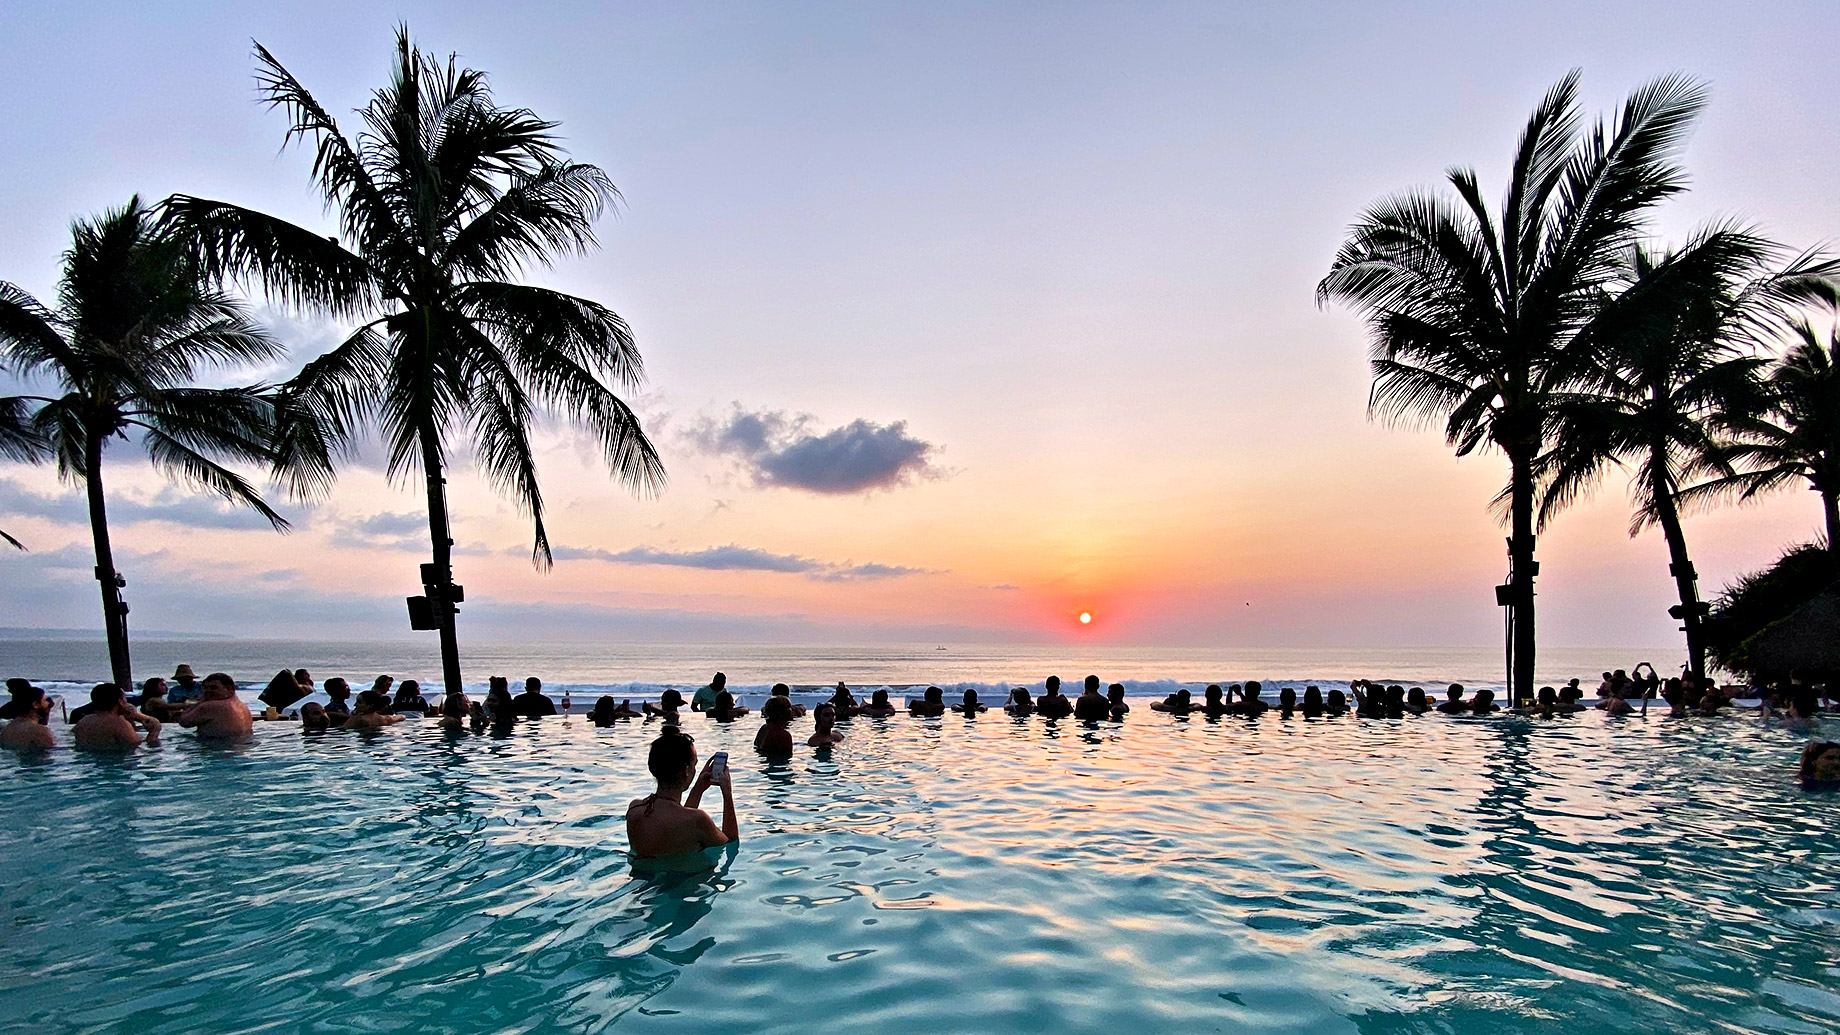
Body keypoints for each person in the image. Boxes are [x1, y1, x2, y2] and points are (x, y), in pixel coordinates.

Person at [627, 728, 737, 859]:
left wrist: (698, 789)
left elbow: (676, 820)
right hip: (689, 878)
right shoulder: (698, 820)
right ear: (685, 770)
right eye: (694, 765)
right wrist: (727, 794)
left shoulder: (635, 810)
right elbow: (731, 842)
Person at [72, 684, 160, 751]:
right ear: (120, 702)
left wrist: (131, 720)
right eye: (125, 698)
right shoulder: (119, 724)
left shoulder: (82, 722)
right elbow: (137, 748)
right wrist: (154, 732)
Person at [177, 673, 254, 740]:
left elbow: (183, 722)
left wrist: (200, 701)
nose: (207, 691)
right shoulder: (243, 707)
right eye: (205, 688)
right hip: (242, 746)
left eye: (213, 688)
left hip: (216, 749)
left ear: (229, 688)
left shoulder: (210, 706)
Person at [0, 685, 55, 751]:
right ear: (35, 705)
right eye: (46, 700)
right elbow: (50, 754)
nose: (49, 703)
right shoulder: (39, 731)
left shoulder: (6, 730)